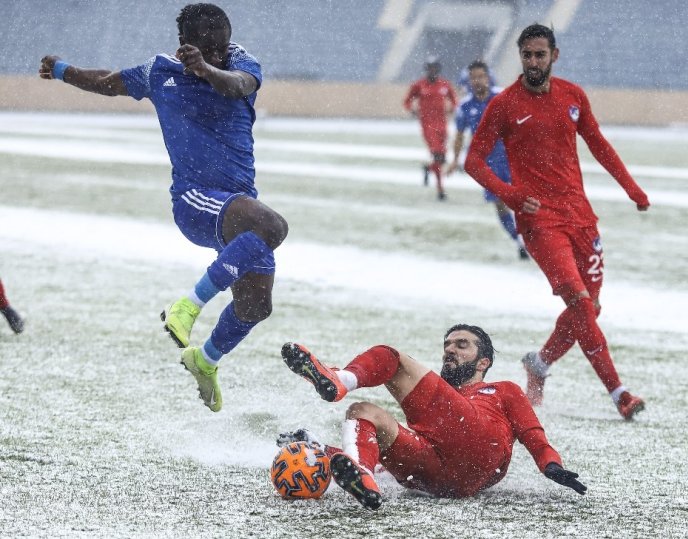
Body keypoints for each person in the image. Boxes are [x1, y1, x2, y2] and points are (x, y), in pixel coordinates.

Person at [39, 3, 288, 412]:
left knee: (257, 305)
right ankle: (186, 306)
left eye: (223, 44)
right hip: (194, 200)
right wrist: (63, 69)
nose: (221, 52)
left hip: (237, 204)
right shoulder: (159, 72)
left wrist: (209, 69)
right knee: (273, 228)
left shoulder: (240, 61)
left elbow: (239, 84)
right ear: (186, 45)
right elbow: (107, 81)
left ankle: (204, 360)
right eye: (210, 48)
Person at [463, 24, 649, 420]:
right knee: (580, 303)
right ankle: (619, 393)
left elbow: (599, 144)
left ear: (554, 56)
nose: (533, 62)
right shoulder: (505, 105)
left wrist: (632, 189)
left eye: (539, 55)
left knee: (590, 307)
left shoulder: (572, 96)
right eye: (527, 55)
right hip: (539, 222)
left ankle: (540, 364)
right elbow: (473, 161)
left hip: (581, 217)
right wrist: (510, 194)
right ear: (520, 57)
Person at [279, 324, 586, 510]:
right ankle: (364, 478)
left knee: (391, 358)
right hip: (434, 478)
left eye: (461, 345)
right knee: (363, 413)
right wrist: (322, 450)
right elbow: (390, 454)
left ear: (484, 362)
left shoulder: (503, 389)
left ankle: (339, 380)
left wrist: (551, 465)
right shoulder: (435, 408)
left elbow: (533, 433)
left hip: (479, 450)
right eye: (447, 345)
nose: (449, 350)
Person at [447, 60, 528, 260]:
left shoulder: (502, 97)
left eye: (481, 76)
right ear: (469, 80)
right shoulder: (465, 107)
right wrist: (455, 160)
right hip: (487, 164)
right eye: (473, 77)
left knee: (526, 200)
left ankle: (535, 236)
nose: (477, 80)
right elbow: (459, 135)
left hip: (512, 157)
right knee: (500, 204)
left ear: (488, 77)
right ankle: (519, 240)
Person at [403, 57, 457, 200]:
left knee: (441, 158)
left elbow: (454, 100)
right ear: (426, 69)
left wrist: (453, 108)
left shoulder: (445, 85)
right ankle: (440, 190)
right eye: (429, 68)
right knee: (438, 155)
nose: (432, 71)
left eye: (435, 68)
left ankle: (429, 168)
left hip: (442, 126)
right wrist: (412, 109)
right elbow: (407, 101)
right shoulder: (419, 85)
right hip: (428, 126)